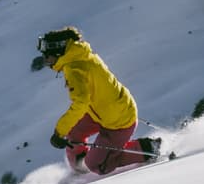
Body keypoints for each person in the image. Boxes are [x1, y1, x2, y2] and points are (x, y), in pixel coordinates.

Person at [35, 26, 155, 174]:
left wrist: (59, 132)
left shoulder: (75, 69)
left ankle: (148, 148)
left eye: (47, 55)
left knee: (97, 165)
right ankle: (81, 168)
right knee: (73, 134)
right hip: (102, 112)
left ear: (58, 51)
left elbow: (80, 103)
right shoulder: (80, 56)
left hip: (118, 122)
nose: (45, 60)